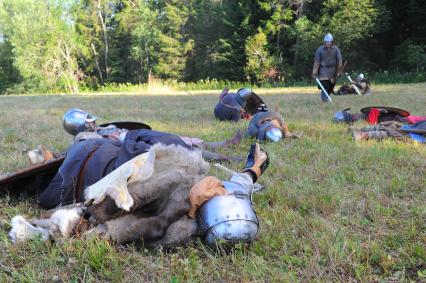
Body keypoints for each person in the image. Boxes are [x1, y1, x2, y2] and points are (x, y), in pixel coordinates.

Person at [36, 108, 242, 209]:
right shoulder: (85, 138)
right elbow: (70, 156)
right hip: (130, 151)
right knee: (171, 149)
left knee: (181, 141)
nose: (93, 122)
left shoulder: (107, 127)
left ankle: (221, 150)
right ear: (81, 125)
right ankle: (220, 155)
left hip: (137, 141)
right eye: (88, 120)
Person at [312, 33, 343, 103]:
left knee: (330, 87)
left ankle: (325, 100)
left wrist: (339, 71)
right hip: (323, 71)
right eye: (327, 42)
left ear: (332, 42)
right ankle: (324, 101)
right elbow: (317, 62)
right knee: (325, 87)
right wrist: (314, 72)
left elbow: (339, 61)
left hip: (332, 72)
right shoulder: (320, 49)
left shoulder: (335, 49)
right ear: (324, 42)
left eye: (330, 42)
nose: (329, 43)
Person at [350, 120, 426, 142]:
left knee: (391, 133)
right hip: (409, 127)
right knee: (391, 125)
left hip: (415, 135)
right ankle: (361, 129)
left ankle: (364, 135)